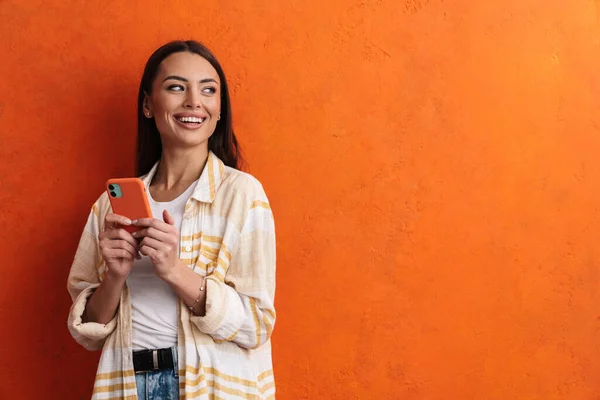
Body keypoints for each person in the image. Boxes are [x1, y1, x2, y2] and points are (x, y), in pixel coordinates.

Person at [67, 40, 276, 400]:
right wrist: (115, 276)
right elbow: (88, 332)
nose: (194, 101)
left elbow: (256, 325)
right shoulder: (109, 206)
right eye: (176, 87)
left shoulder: (242, 195)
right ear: (148, 104)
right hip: (126, 383)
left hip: (210, 386)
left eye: (208, 90)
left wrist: (174, 270)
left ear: (219, 108)